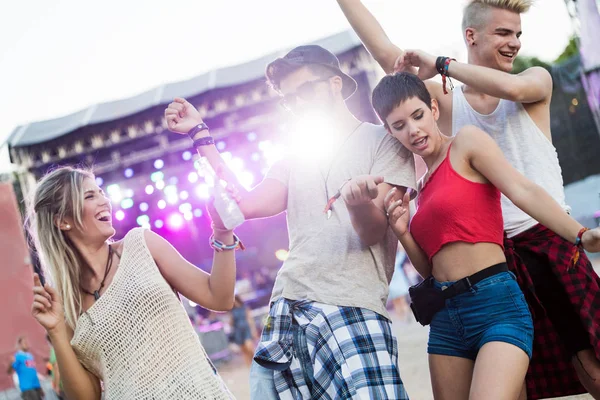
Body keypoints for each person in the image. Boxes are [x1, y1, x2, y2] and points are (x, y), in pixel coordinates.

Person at [336, 0, 600, 397]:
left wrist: (442, 63)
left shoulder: (534, 80)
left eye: (518, 34)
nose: (513, 42)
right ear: (472, 36)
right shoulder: (443, 106)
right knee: (518, 386)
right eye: (503, 33)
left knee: (590, 365)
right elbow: (391, 60)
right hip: (495, 255)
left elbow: (511, 91)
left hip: (546, 237)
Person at [165, 44, 416, 399]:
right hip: (287, 308)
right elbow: (243, 205)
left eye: (305, 91)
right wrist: (200, 135)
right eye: (289, 99)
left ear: (334, 84)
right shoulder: (293, 157)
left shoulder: (384, 142)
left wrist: (358, 204)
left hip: (351, 304)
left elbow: (375, 231)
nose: (297, 105)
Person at [28, 166, 237, 399]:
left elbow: (219, 297)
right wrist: (56, 330)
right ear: (62, 221)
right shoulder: (65, 302)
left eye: (100, 192)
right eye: (89, 196)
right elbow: (87, 397)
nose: (104, 201)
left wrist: (222, 231)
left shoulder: (141, 245)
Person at [230, 295, 258, 367]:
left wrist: (253, 330)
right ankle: (250, 366)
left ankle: (257, 362)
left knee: (249, 347)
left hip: (246, 329)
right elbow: (231, 323)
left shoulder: (245, 307)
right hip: (238, 331)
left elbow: (250, 319)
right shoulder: (232, 311)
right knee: (244, 350)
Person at [387, 251, 412, 322]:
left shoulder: (386, 266)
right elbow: (402, 254)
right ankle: (407, 316)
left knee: (396, 304)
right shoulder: (396, 262)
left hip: (392, 288)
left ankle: (402, 319)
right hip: (400, 286)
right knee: (403, 302)